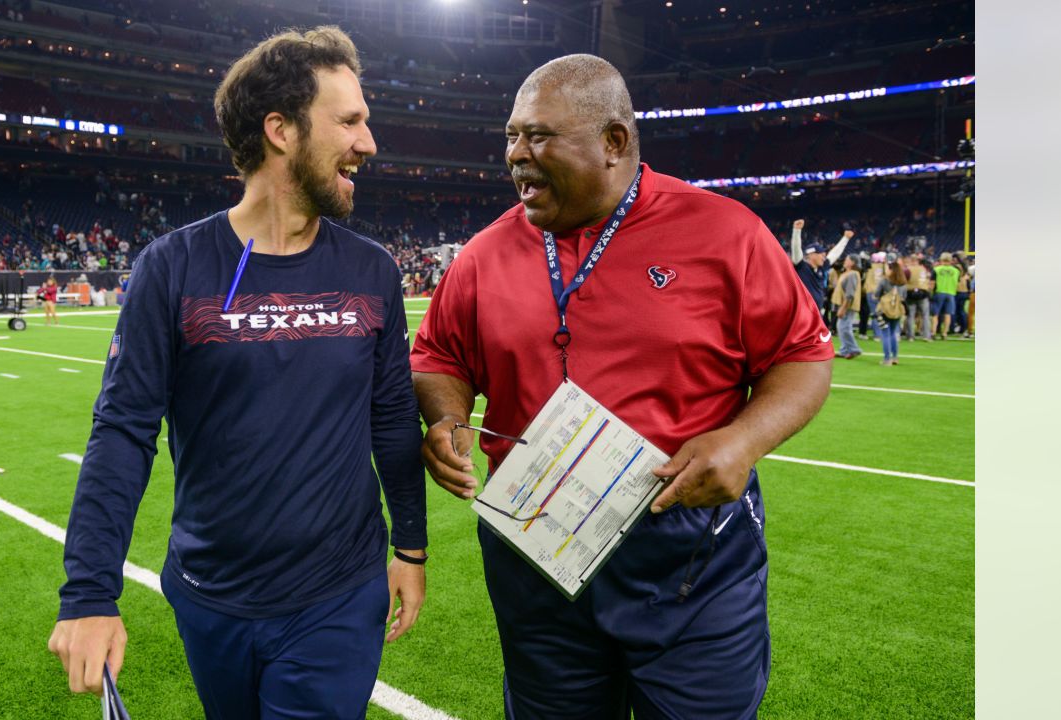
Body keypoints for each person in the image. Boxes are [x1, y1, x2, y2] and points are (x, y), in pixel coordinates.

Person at [410, 54, 833, 719]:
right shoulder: (484, 254)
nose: (517, 155)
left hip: (689, 548)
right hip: (537, 544)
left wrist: (744, 440)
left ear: (614, 142)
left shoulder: (726, 234)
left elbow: (804, 357)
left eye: (540, 136)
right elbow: (438, 357)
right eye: (512, 136)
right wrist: (447, 418)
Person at [47, 26, 428, 720]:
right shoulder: (171, 268)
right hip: (208, 595)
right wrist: (89, 596)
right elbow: (123, 433)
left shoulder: (371, 270)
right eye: (349, 121)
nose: (368, 143)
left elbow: (393, 417)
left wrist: (411, 543)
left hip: (338, 595)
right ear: (280, 129)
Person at [789, 219, 852, 318]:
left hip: (817, 314)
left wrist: (845, 238)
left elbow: (834, 254)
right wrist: (797, 231)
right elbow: (796, 251)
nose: (824, 257)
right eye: (821, 254)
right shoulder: (801, 267)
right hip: (802, 315)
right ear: (811, 255)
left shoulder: (822, 268)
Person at [874, 259, 908, 366]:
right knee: (893, 333)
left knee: (885, 334)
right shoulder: (903, 282)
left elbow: (876, 294)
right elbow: (904, 297)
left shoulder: (884, 281)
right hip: (897, 311)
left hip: (884, 310)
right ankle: (895, 357)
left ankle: (887, 359)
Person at [832, 254, 863, 359]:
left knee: (844, 327)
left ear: (852, 262)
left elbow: (850, 294)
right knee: (842, 327)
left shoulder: (852, 274)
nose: (845, 261)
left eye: (847, 260)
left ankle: (854, 349)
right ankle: (845, 350)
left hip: (847, 305)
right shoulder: (847, 273)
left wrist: (843, 308)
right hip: (844, 304)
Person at [930, 251, 961, 340]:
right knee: (948, 314)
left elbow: (932, 283)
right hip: (951, 293)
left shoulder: (937, 269)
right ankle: (944, 333)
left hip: (939, 292)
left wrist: (930, 292)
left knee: (935, 314)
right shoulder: (956, 271)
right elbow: (958, 283)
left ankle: (933, 332)